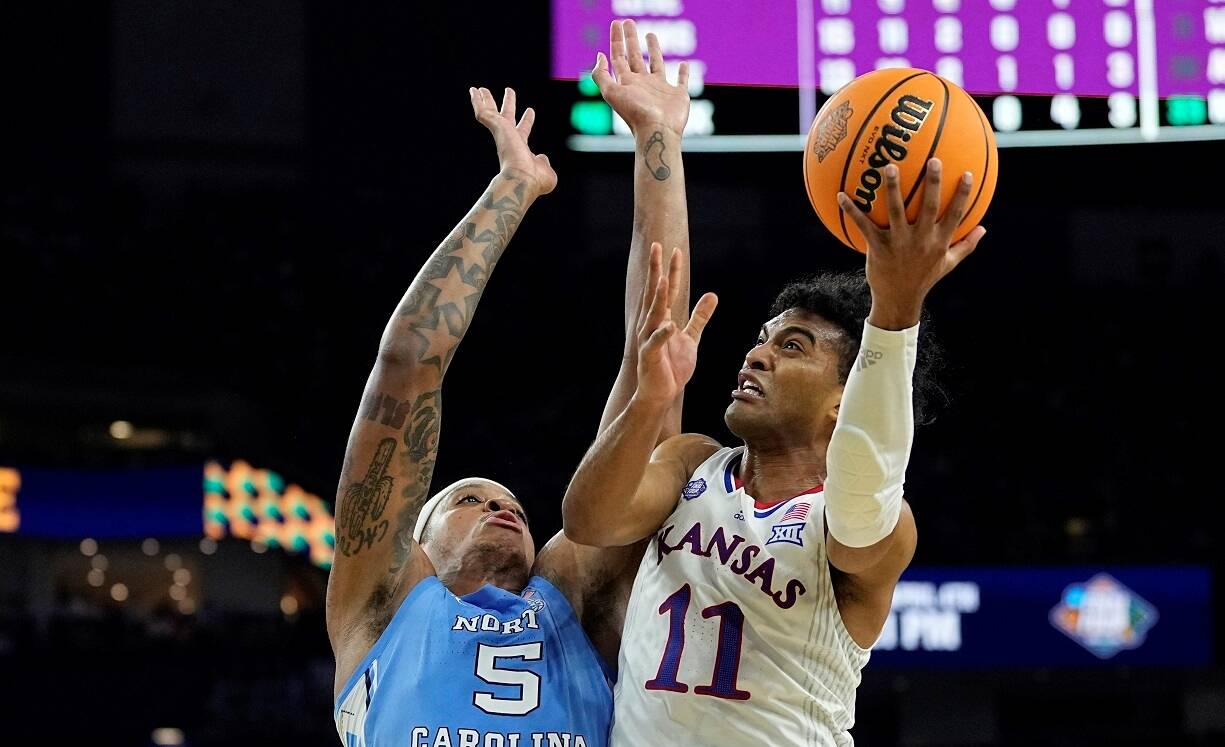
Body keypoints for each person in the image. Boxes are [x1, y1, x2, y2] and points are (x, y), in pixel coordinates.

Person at [327, 24, 699, 744]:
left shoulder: (572, 598)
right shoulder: (382, 603)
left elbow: (653, 369)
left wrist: (659, 140)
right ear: (417, 547)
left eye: (511, 503)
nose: (503, 507)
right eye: (469, 497)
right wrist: (512, 187)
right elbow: (408, 363)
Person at [562, 156, 986, 745]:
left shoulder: (867, 526)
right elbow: (589, 520)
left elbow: (865, 491)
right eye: (762, 341)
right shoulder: (692, 464)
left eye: (792, 347)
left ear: (845, 399)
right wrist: (649, 398)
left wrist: (895, 312)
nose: (755, 357)